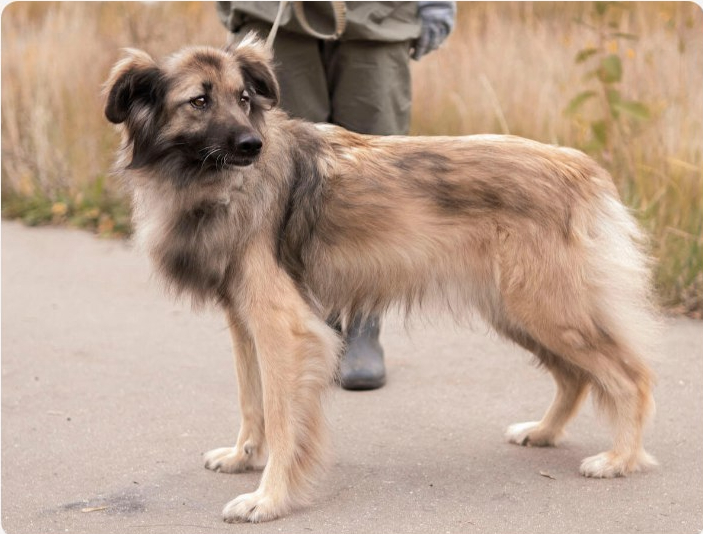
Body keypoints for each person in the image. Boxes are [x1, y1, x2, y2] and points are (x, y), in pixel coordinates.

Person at [216, 1, 456, 390]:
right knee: (283, 171)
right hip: (274, 10)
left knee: (378, 177)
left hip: (378, 16)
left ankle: (363, 323)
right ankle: (311, 322)